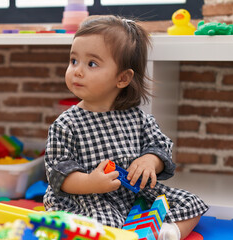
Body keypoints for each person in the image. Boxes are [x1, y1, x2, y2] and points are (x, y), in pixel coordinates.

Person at [43, 15, 208, 240]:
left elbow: (160, 145)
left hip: (133, 193)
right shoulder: (66, 124)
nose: (77, 71)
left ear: (122, 78)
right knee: (108, 225)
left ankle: (169, 232)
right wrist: (91, 182)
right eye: (73, 61)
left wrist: (150, 160)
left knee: (193, 203)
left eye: (91, 64)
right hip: (88, 197)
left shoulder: (137, 118)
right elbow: (58, 173)